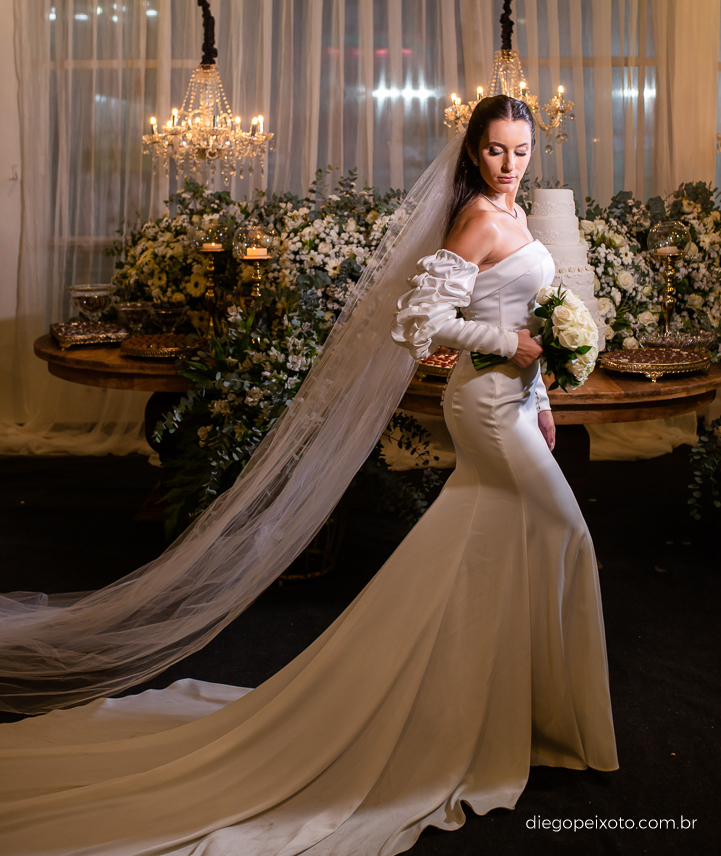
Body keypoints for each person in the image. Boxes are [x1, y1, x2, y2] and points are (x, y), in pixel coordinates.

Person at [0, 96, 617, 855]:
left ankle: (499, 713)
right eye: (495, 150)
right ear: (473, 152)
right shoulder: (478, 222)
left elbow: (533, 314)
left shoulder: (516, 215)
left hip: (518, 404)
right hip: (485, 409)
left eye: (520, 150)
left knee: (492, 553)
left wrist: (542, 395)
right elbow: (418, 324)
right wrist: (504, 344)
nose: (510, 164)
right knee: (566, 537)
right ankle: (537, 721)